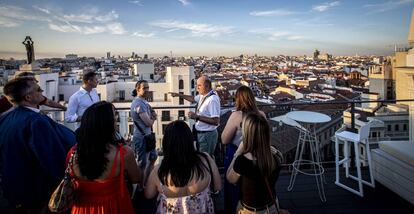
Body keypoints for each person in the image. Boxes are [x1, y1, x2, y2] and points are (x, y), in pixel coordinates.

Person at [0, 77, 76, 213]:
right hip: (37, 194)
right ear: (28, 97)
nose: (42, 91)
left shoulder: (5, 118)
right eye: (38, 89)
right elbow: (52, 159)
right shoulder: (36, 122)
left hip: (14, 192)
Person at [70, 101, 141, 214]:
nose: (116, 119)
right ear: (108, 124)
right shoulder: (123, 153)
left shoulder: (73, 153)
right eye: (114, 116)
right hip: (114, 206)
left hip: (82, 208)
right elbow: (136, 178)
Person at [145, 120, 221, 213]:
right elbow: (217, 187)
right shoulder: (206, 160)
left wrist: (150, 165)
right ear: (189, 140)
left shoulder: (159, 171)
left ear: (167, 143)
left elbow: (148, 194)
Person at [227, 113, 288, 214]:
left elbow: (230, 178)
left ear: (247, 133)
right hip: (272, 207)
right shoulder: (276, 155)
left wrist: (238, 152)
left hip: (250, 211)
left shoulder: (243, 161)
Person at [221, 85, 266, 213]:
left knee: (234, 188)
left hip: (237, 154)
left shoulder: (236, 115)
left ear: (238, 99)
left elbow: (224, 140)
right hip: (258, 156)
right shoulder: (261, 114)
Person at [169, 75, 220, 157]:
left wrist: (197, 117)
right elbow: (193, 98)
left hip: (207, 135)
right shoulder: (204, 95)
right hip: (202, 134)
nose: (197, 88)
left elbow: (216, 121)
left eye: (199, 85)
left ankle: (209, 170)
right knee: (204, 157)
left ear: (207, 86)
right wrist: (179, 95)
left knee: (205, 159)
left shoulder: (212, 99)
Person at [0, 72, 67, 116]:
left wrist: (64, 108)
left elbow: (49, 102)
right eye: (33, 80)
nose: (36, 82)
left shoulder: (34, 96)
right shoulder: (4, 102)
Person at [131, 80, 157, 184]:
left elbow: (152, 112)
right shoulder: (138, 103)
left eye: (148, 88)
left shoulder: (144, 102)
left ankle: (147, 181)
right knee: (142, 163)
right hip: (141, 137)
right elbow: (148, 122)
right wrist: (153, 118)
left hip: (148, 136)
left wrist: (152, 116)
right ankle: (141, 186)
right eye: (144, 88)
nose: (147, 90)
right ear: (138, 89)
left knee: (153, 157)